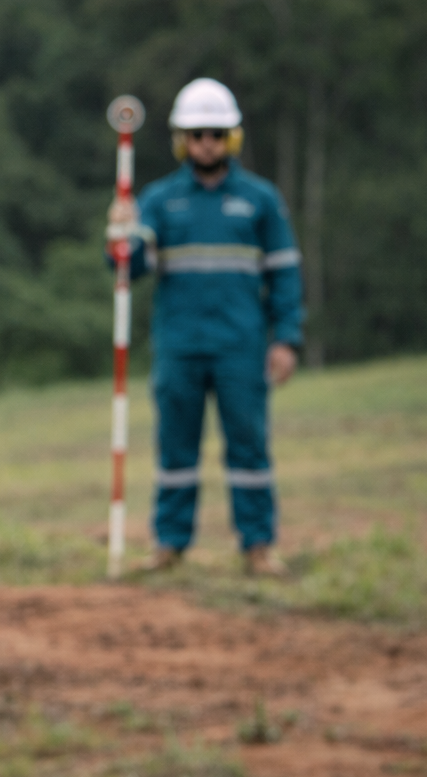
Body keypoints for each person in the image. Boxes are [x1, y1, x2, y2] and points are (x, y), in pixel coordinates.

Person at [108, 78, 303, 576]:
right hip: (179, 347)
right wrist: (120, 235)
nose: (207, 143)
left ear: (231, 136)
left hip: (241, 346)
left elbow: (284, 272)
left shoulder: (260, 200)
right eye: (197, 134)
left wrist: (286, 339)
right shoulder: (159, 199)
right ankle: (169, 545)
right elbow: (129, 267)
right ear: (182, 140)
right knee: (176, 449)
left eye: (216, 133)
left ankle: (257, 547)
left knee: (249, 447)